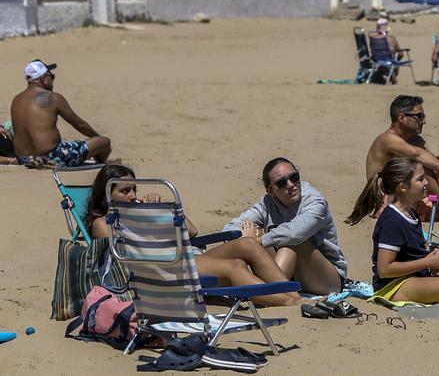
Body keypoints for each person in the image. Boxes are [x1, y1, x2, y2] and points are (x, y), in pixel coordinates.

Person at [88, 164, 301, 307]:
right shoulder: (101, 224)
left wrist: (164, 209)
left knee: (247, 244)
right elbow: (130, 251)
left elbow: (191, 231)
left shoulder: (140, 209)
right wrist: (145, 217)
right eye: (125, 191)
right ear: (107, 195)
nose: (133, 195)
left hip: (186, 255)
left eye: (134, 189)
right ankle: (287, 302)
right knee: (235, 266)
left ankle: (292, 294)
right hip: (162, 268)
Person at [346, 157, 439, 306]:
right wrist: (426, 262)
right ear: (403, 187)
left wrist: (430, 261)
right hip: (394, 287)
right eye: (420, 179)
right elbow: (385, 269)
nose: (426, 183)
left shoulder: (411, 213)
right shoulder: (391, 220)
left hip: (418, 279)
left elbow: (410, 255)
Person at [224, 157, 347, 295]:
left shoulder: (315, 202)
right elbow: (230, 228)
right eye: (281, 183)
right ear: (270, 190)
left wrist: (253, 242)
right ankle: (266, 288)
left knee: (292, 243)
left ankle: (270, 292)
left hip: (327, 279)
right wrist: (248, 238)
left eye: (294, 177)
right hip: (290, 273)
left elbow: (295, 233)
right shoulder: (266, 203)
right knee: (255, 232)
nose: (290, 185)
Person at [6, 60, 111, 168]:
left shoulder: (16, 100)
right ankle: (99, 166)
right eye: (52, 77)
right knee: (104, 142)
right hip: (52, 156)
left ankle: (40, 162)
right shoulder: (53, 97)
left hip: (24, 159)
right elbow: (79, 124)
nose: (53, 80)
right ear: (44, 79)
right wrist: (97, 138)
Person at [366, 95, 439, 194]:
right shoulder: (387, 139)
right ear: (402, 118)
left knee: (425, 167)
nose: (424, 121)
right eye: (420, 116)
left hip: (404, 195)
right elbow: (417, 154)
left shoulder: (415, 140)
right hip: (381, 198)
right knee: (423, 165)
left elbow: (428, 176)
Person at [369, 18, 404, 84]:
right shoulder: (391, 38)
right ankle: (392, 76)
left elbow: (371, 51)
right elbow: (401, 53)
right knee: (397, 57)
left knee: (392, 58)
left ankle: (383, 74)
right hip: (389, 60)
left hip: (377, 60)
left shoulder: (373, 38)